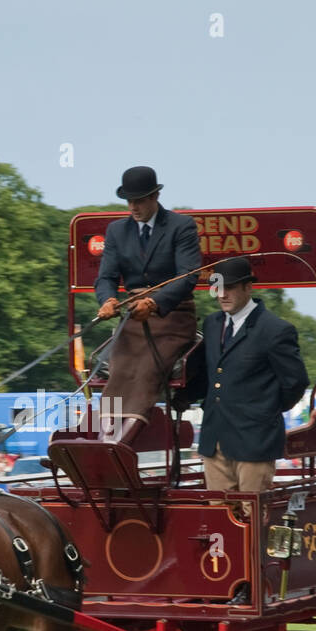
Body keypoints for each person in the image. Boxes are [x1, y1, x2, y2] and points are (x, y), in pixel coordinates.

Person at [94, 165, 201, 446]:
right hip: (132, 319)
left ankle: (121, 445)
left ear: (155, 196)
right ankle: (104, 441)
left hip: (173, 317)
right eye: (129, 201)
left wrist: (154, 303)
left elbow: (188, 276)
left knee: (147, 369)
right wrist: (107, 300)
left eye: (139, 200)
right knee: (119, 368)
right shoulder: (116, 231)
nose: (133, 207)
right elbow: (105, 277)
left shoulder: (182, 226)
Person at [191, 256, 309, 502]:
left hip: (255, 441)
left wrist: (264, 411)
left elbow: (296, 382)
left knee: (252, 513)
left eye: (230, 287)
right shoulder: (212, 324)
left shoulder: (275, 329)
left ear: (248, 287)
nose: (222, 294)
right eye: (218, 288)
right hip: (214, 440)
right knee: (220, 515)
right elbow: (208, 374)